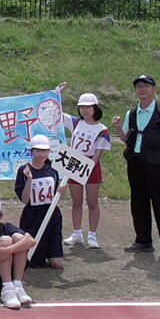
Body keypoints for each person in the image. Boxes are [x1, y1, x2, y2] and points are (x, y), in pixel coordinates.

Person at [112, 75, 160, 261]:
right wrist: (118, 128)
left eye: (145, 86)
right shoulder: (131, 114)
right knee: (138, 202)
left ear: (154, 89)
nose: (141, 89)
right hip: (135, 164)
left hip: (156, 167)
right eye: (138, 86)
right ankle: (143, 241)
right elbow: (127, 139)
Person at [59, 90, 112, 249]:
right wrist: (57, 94)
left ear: (95, 108)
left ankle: (92, 235)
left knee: (92, 201)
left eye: (88, 107)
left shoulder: (102, 129)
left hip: (90, 166)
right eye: (82, 107)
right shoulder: (76, 122)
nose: (85, 110)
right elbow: (57, 113)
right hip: (74, 162)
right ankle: (77, 233)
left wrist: (87, 167)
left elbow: (98, 154)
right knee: (76, 201)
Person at [14, 135, 65, 268]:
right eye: (38, 150)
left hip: (51, 214)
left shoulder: (53, 170)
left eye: (45, 150)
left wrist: (60, 192)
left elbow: (53, 196)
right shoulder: (24, 170)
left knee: (57, 263)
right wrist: (29, 180)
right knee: (35, 263)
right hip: (32, 216)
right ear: (32, 151)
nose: (41, 154)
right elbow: (24, 200)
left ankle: (51, 251)